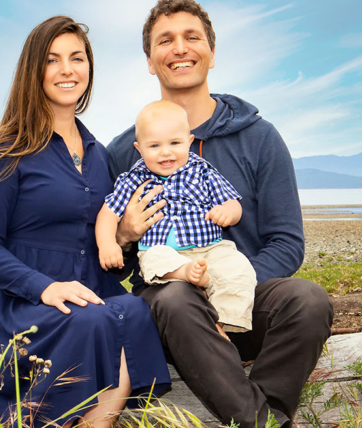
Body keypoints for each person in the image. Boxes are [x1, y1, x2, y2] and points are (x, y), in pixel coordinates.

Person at [107, 0, 334, 428]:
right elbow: (108, 253)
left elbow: (287, 243)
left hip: (245, 301)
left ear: (211, 52)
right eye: (165, 41)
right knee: (176, 299)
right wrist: (123, 233)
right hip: (170, 310)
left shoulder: (259, 138)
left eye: (192, 37)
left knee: (308, 300)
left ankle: (258, 426)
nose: (180, 48)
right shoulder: (124, 152)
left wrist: (226, 285)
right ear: (150, 62)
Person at [0, 15, 170, 428]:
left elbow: (105, 238)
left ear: (89, 68)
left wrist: (127, 235)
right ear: (33, 70)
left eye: (77, 58)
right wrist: (46, 287)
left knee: (134, 311)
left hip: (86, 290)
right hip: (21, 303)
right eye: (53, 60)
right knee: (91, 320)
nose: (67, 69)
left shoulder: (99, 154)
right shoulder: (4, 148)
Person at [96, 99, 257, 333]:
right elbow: (108, 213)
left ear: (189, 142)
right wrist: (108, 244)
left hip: (210, 248)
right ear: (138, 148)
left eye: (174, 143)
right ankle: (185, 274)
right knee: (153, 260)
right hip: (163, 251)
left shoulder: (202, 170)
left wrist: (227, 213)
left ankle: (223, 321)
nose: (166, 152)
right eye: (154, 146)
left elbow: (232, 201)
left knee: (239, 267)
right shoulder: (133, 179)